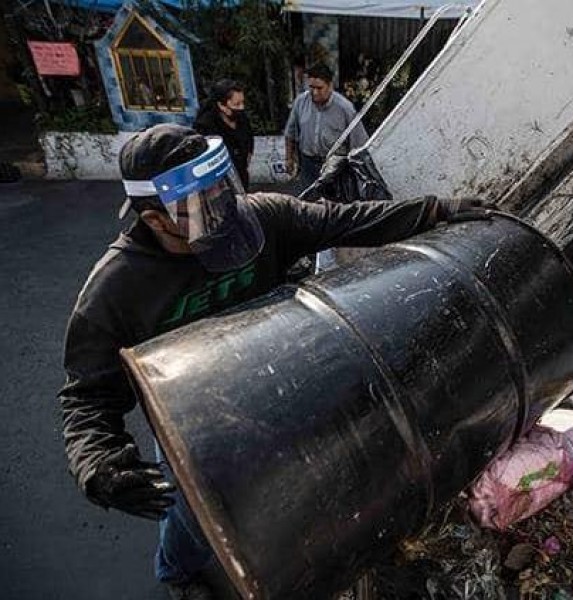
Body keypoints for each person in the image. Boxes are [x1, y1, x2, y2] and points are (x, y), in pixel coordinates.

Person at [58, 123, 491, 600]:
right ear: (155, 219)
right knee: (189, 513)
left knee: (290, 500)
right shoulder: (115, 291)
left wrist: (435, 210)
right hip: (191, 425)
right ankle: (178, 576)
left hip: (279, 391)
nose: (221, 211)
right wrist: (97, 465)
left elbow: (347, 220)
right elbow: (87, 396)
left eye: (220, 190)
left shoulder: (261, 219)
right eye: (200, 207)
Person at [284, 63, 369, 196]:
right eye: (311, 87)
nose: (314, 92)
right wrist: (289, 158)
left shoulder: (345, 109)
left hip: (335, 169)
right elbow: (290, 133)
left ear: (330, 86)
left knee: (333, 208)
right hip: (308, 166)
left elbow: (359, 145)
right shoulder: (301, 102)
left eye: (319, 88)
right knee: (308, 206)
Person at [194, 79, 254, 190]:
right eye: (237, 104)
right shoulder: (206, 126)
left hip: (241, 176)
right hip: (219, 183)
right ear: (221, 105)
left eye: (242, 103)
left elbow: (249, 141)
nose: (242, 108)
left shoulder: (242, 119)